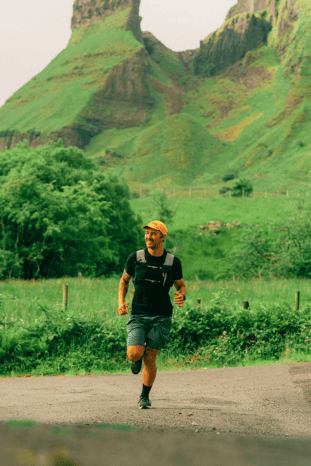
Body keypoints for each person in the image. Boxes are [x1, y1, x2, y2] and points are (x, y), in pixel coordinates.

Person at [118, 220, 186, 409]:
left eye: (153, 234)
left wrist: (182, 295)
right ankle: (135, 359)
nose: (148, 237)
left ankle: (144, 396)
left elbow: (180, 285)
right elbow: (124, 281)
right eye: (147, 233)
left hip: (162, 316)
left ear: (162, 237)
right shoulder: (136, 257)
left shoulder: (172, 262)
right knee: (134, 354)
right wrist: (121, 302)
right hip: (138, 313)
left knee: (151, 357)